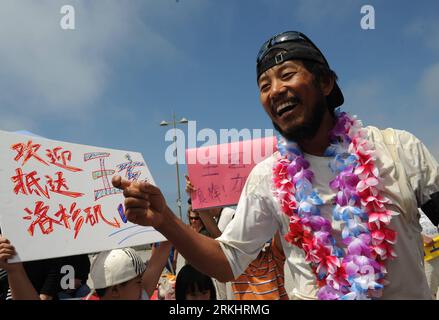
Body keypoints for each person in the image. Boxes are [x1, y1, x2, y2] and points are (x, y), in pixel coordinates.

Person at [112, 30, 439, 300]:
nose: (275, 90)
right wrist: (166, 220)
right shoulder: (268, 177)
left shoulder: (398, 149)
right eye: (264, 85)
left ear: (324, 83)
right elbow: (228, 261)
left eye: (286, 75)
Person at [0, 234, 172, 300]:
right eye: (137, 281)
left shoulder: (136, 295)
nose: (144, 285)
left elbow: (158, 261)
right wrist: (15, 271)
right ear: (115, 291)